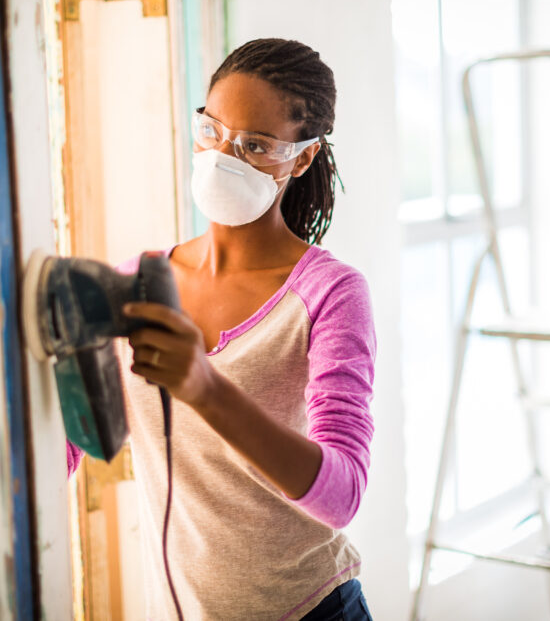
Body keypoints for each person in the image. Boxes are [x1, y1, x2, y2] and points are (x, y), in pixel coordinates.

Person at [67, 38, 377, 620]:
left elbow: (343, 495)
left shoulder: (331, 295)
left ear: (302, 158)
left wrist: (205, 388)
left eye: (255, 145)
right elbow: (68, 447)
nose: (224, 157)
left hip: (312, 611)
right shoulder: (136, 285)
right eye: (211, 131)